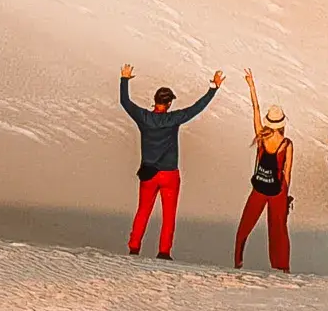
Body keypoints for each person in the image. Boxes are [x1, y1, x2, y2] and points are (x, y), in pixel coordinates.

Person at [119, 64, 222, 260]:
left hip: (149, 173)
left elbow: (125, 102)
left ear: (155, 101)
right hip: (170, 174)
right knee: (169, 215)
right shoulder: (173, 119)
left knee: (143, 211)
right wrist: (213, 88)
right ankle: (164, 251)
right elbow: (196, 109)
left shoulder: (144, 117)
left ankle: (134, 247)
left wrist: (124, 79)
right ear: (169, 104)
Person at [234, 70, 294, 271]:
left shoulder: (261, 136)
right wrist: (286, 195)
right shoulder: (286, 143)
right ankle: (281, 266)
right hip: (278, 189)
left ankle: (238, 260)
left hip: (260, 186)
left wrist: (251, 86)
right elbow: (287, 171)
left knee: (246, 224)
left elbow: (255, 109)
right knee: (278, 229)